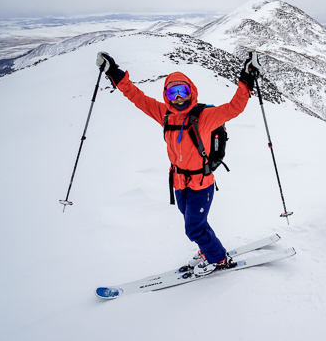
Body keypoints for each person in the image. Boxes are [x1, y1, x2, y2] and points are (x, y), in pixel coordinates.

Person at [96, 51, 260, 277]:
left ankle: (218, 259)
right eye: (173, 92)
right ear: (167, 96)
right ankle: (207, 249)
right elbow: (137, 97)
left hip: (201, 184)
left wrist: (246, 79)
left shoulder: (205, 116)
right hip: (179, 182)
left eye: (183, 91)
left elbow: (234, 107)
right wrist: (113, 72)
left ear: (191, 91)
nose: (179, 97)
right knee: (196, 223)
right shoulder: (164, 114)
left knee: (193, 228)